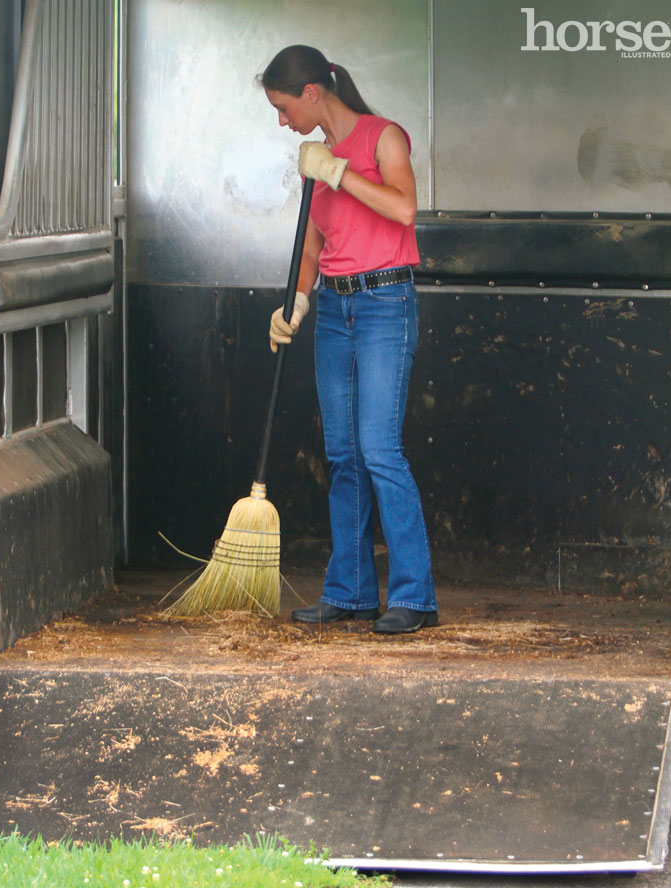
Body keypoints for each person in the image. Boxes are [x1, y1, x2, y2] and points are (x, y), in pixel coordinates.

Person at [260, 44, 437, 634]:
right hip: (335, 308)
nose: (283, 122)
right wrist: (298, 303)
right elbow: (312, 247)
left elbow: (405, 209)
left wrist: (338, 172)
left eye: (284, 108)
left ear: (313, 92)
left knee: (379, 448)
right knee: (343, 455)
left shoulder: (384, 138)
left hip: (387, 302)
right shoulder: (315, 158)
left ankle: (414, 598)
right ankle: (352, 591)